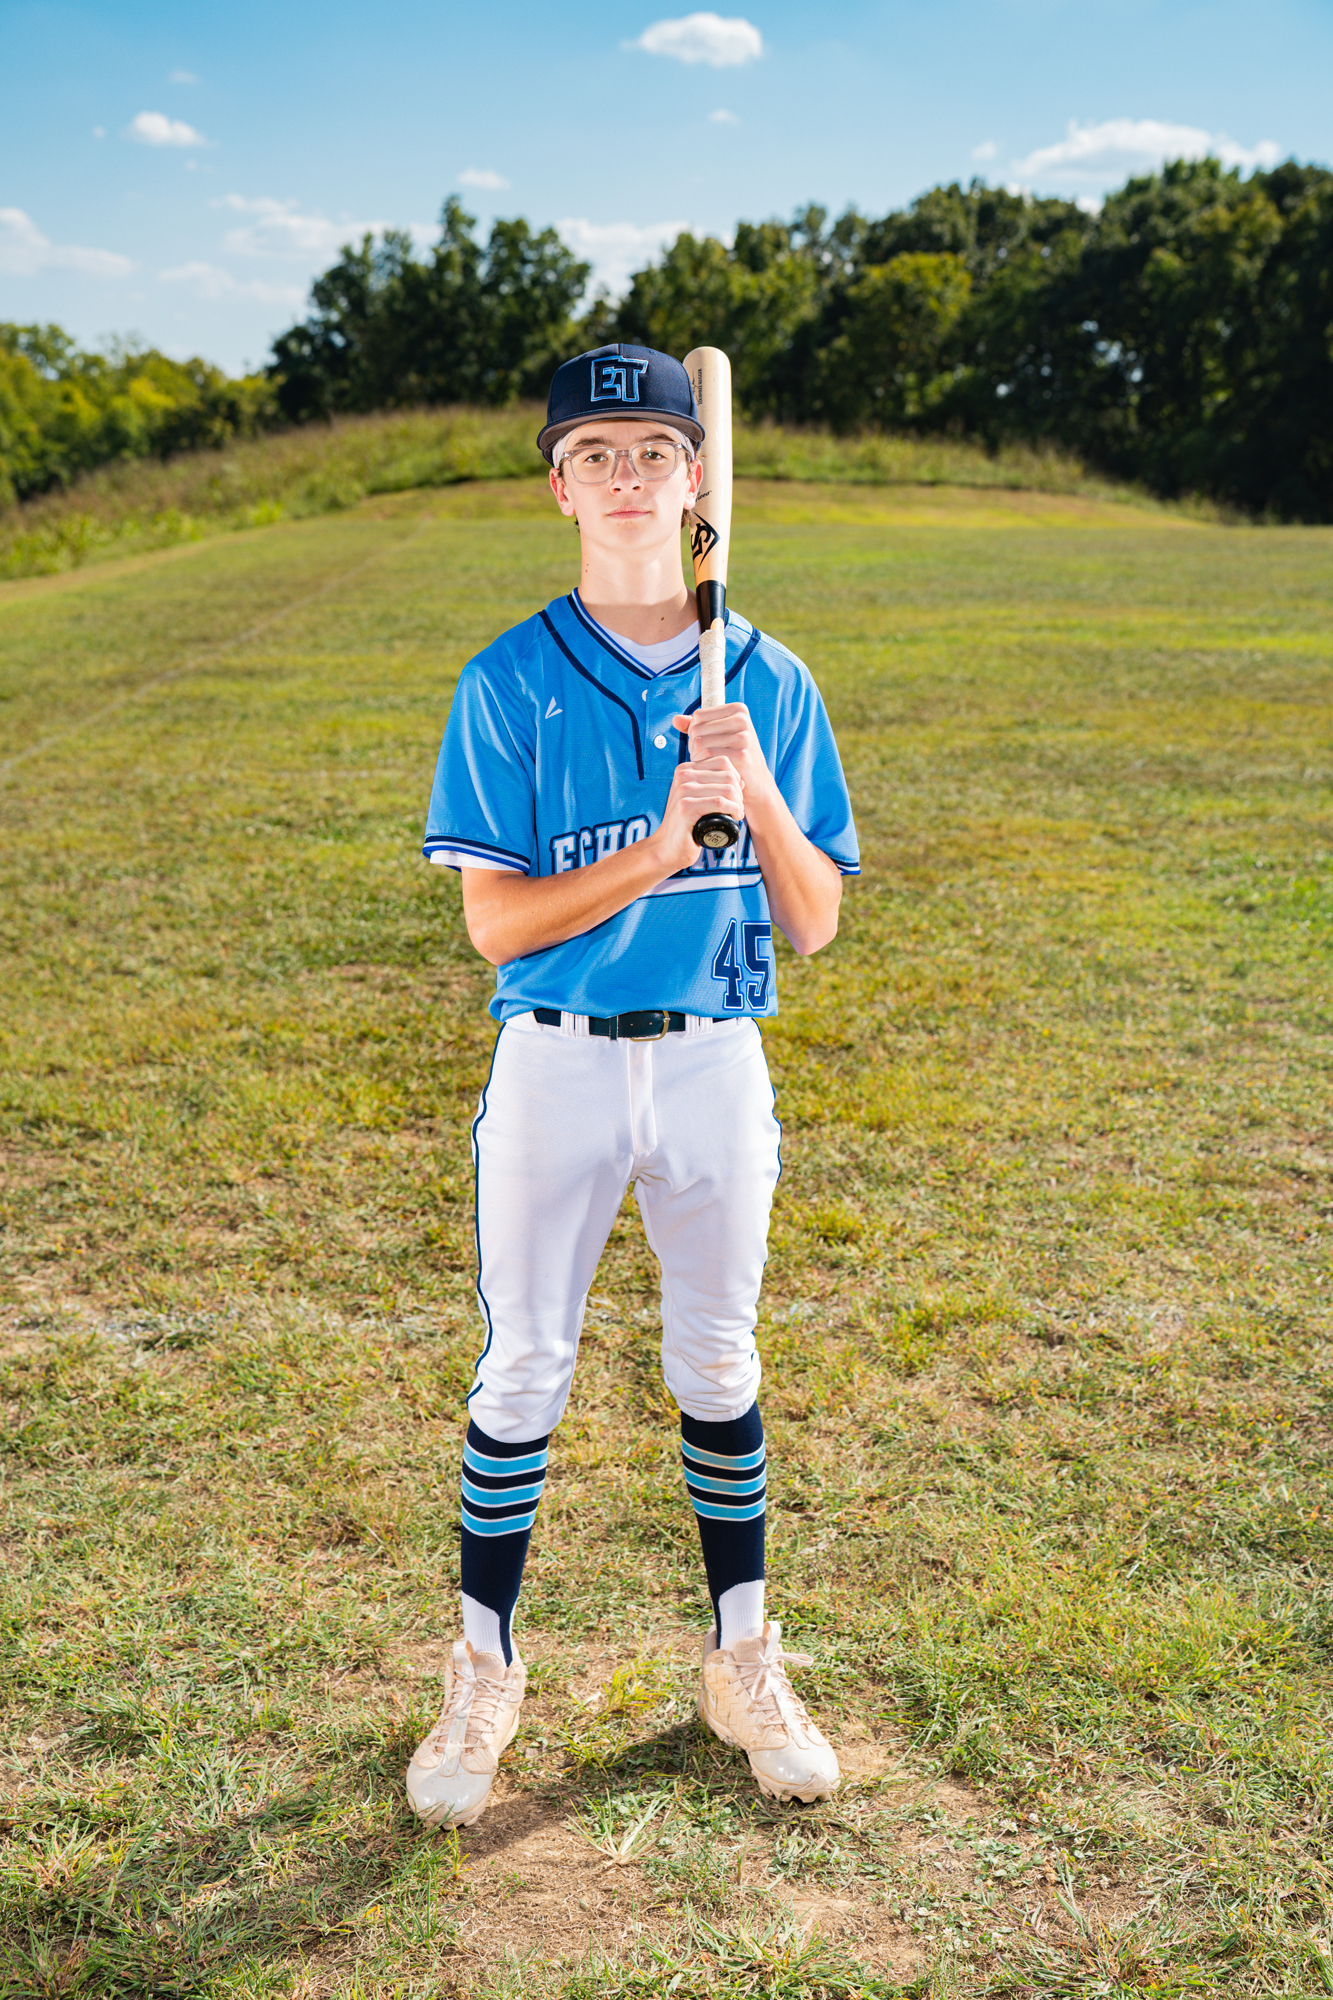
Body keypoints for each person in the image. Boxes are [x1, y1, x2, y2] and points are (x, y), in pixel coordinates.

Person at [406, 343, 859, 1829]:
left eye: (651, 451)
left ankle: (743, 1662)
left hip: (718, 1056)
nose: (623, 476)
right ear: (558, 487)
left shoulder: (770, 680)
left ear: (694, 480)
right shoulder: (507, 679)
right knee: (523, 1370)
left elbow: (812, 921)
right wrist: (664, 846)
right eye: (592, 454)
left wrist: (755, 789)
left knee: (718, 1365)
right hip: (559, 1065)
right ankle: (484, 1670)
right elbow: (496, 927)